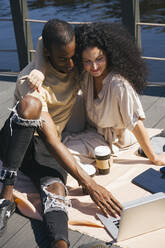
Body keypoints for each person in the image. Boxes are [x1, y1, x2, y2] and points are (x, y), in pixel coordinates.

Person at [0, 19, 122, 248]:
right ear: (47, 53)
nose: (69, 64)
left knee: (56, 190)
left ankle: (61, 245)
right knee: (31, 105)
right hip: (18, 138)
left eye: (72, 57)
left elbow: (45, 38)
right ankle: (5, 194)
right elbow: (52, 139)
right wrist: (90, 184)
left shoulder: (75, 63)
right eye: (62, 59)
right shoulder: (31, 80)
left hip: (42, 149)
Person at [29, 22, 165, 166]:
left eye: (99, 59)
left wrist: (154, 158)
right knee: (54, 143)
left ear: (109, 55)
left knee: (63, 157)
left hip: (111, 140)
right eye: (87, 61)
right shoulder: (86, 74)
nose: (94, 67)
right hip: (91, 128)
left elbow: (136, 123)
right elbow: (42, 40)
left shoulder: (119, 85)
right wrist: (39, 70)